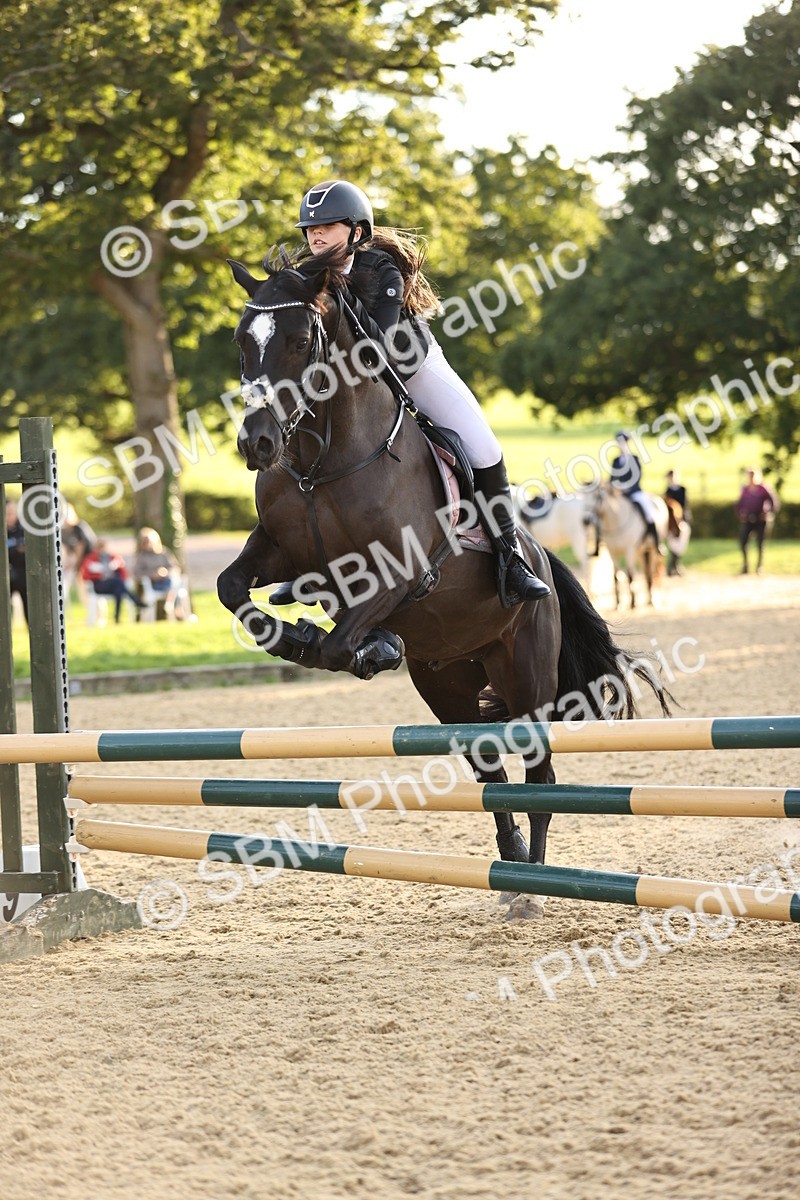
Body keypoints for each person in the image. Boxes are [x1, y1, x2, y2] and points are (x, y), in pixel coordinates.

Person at [280, 178, 550, 608]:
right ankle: (307, 569)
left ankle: (511, 559)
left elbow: (377, 349)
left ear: (356, 232)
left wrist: (339, 297)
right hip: (350, 388)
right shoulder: (304, 278)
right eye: (310, 228)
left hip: (410, 370)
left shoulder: (380, 271)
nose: (315, 233)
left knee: (483, 449)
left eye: (328, 225)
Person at [608, 432, 660, 550]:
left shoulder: (634, 459)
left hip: (634, 492)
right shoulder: (615, 461)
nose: (621, 445)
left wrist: (625, 489)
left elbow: (637, 477)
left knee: (648, 513)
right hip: (618, 495)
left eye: (623, 443)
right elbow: (612, 478)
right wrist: (614, 487)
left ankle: (656, 541)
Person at [80, 538, 146, 623]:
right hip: (99, 584)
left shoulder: (112, 557)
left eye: (103, 546)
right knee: (118, 583)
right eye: (99, 547)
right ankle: (136, 601)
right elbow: (85, 575)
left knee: (118, 589)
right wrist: (99, 571)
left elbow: (123, 570)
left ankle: (117, 618)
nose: (101, 549)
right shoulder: (90, 558)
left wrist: (115, 565)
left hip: (112, 585)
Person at [736, 468, 780, 575]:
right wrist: (741, 514)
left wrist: (768, 513)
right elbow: (739, 504)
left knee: (760, 543)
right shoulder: (745, 490)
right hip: (748, 519)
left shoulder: (763, 489)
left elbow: (774, 503)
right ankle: (745, 565)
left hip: (761, 520)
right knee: (743, 541)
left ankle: (759, 566)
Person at [133, 528, 180, 619]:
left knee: (173, 580)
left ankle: (170, 600)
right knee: (174, 585)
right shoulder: (142, 557)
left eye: (148, 541)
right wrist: (152, 574)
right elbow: (137, 572)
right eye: (144, 541)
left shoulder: (164, 553)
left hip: (167, 579)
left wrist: (165, 572)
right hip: (154, 584)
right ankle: (175, 606)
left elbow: (175, 567)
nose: (147, 543)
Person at [664, 470, 691, 577]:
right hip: (671, 520)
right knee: (673, 543)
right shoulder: (668, 490)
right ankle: (674, 565)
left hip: (681, 517)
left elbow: (684, 504)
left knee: (681, 541)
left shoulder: (682, 489)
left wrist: (680, 516)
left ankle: (673, 564)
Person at [5, 499, 28, 625]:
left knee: (29, 607)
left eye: (12, 513)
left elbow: (27, 548)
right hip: (5, 574)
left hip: (23, 573)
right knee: (4, 609)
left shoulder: (24, 528)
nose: (10, 517)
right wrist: (17, 549)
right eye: (6, 513)